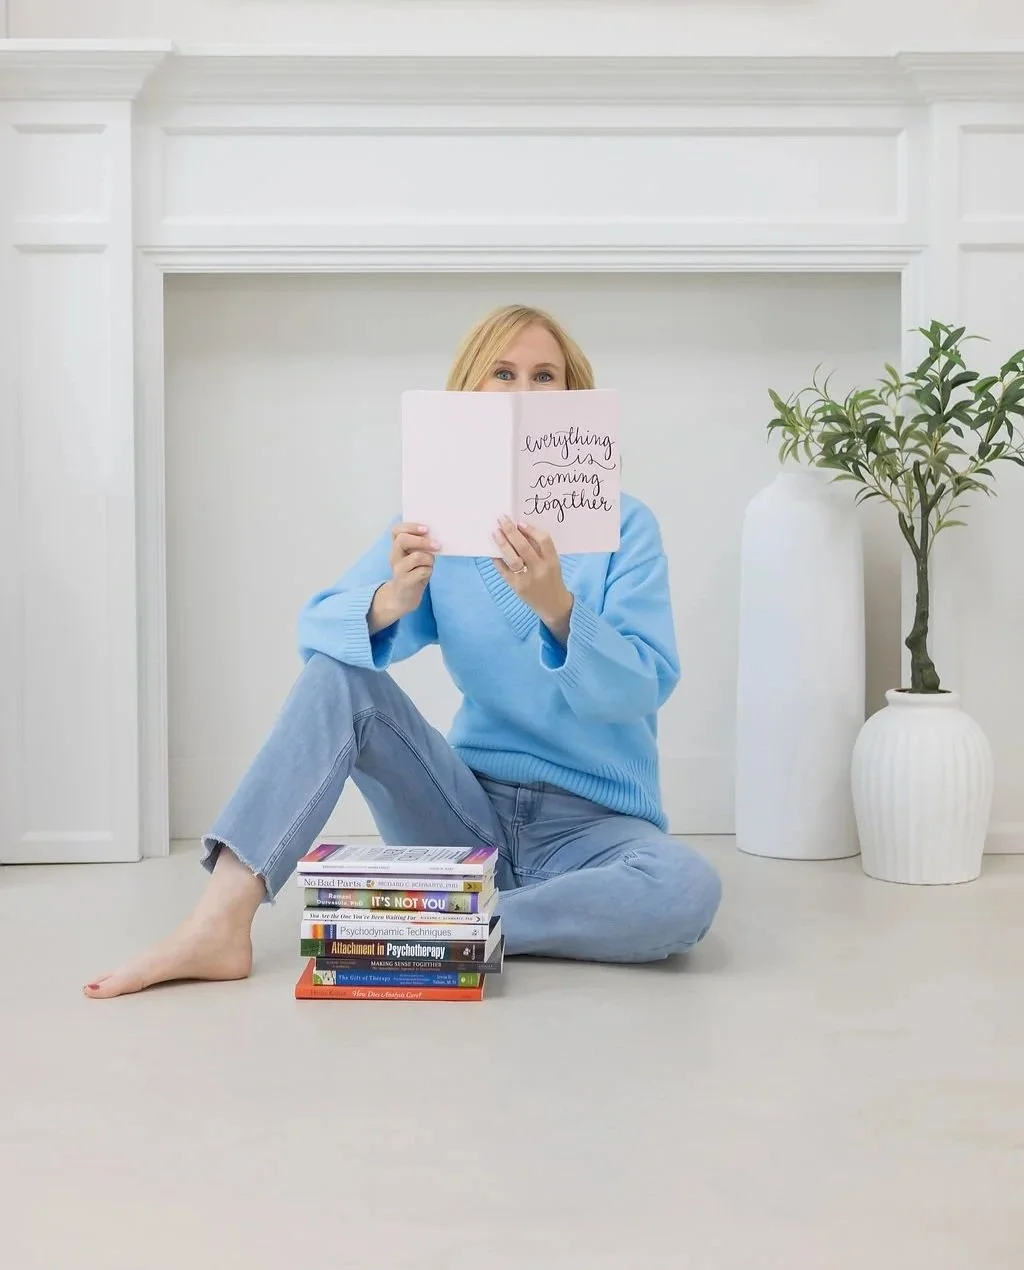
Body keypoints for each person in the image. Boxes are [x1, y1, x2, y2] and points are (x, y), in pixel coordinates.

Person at [84, 304, 722, 999]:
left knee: (687, 889)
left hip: (597, 829)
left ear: (573, 400)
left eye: (545, 376)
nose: (522, 391)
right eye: (501, 374)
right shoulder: (435, 522)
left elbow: (640, 688)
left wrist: (557, 606)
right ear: (470, 395)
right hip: (465, 813)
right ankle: (218, 922)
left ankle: (454, 922)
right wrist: (391, 600)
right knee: (341, 676)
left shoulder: (626, 527)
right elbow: (317, 637)